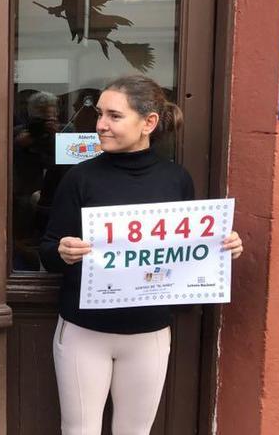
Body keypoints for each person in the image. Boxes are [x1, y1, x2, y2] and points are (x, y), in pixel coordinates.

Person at [39, 75, 244, 435]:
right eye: (100, 114)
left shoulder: (176, 179)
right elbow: (48, 251)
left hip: (149, 330)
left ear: (148, 123)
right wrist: (63, 251)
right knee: (79, 431)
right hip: (84, 330)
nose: (100, 124)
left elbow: (188, 251)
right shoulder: (79, 178)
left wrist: (222, 247)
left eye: (114, 116)